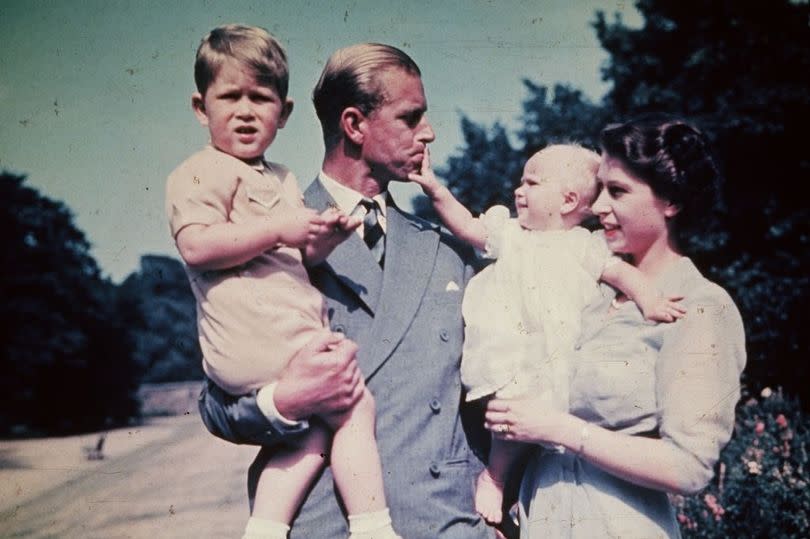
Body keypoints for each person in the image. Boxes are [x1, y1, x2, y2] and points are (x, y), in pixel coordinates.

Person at [196, 42, 498, 538]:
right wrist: (286, 401)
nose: (429, 133)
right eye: (411, 117)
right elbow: (216, 404)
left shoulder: (448, 251)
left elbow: (502, 383)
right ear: (354, 125)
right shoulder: (262, 236)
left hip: (446, 523)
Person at [165, 25, 401, 539]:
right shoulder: (201, 172)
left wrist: (326, 237)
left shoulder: (281, 178)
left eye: (261, 98)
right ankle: (374, 526)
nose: (245, 111)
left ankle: (266, 529)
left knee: (311, 432)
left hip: (277, 338)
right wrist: (278, 226)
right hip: (256, 337)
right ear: (201, 108)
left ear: (284, 113)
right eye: (229, 97)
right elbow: (196, 247)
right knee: (356, 404)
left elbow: (301, 251)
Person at [482, 115, 747, 538]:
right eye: (600, 188)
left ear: (671, 202)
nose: (598, 205)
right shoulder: (587, 294)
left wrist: (559, 429)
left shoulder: (700, 306)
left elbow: (689, 467)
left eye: (618, 191)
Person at [408, 144, 685, 525]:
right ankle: (495, 477)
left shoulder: (584, 247)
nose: (518, 191)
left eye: (531, 183)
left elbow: (625, 275)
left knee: (549, 415)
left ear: (569, 200)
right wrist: (436, 190)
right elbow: (468, 226)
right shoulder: (512, 235)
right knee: (512, 410)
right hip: (513, 345)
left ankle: (523, 490)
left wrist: (650, 299)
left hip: (560, 351)